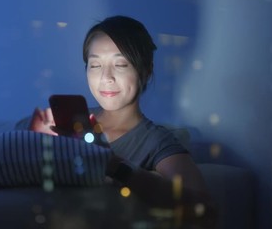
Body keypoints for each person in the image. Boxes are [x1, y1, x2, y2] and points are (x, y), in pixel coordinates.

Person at [29, 15, 217, 228]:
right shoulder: (67, 121)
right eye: (95, 65)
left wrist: (114, 165)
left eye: (120, 64)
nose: (106, 77)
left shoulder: (155, 141)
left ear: (145, 71)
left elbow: (204, 211)